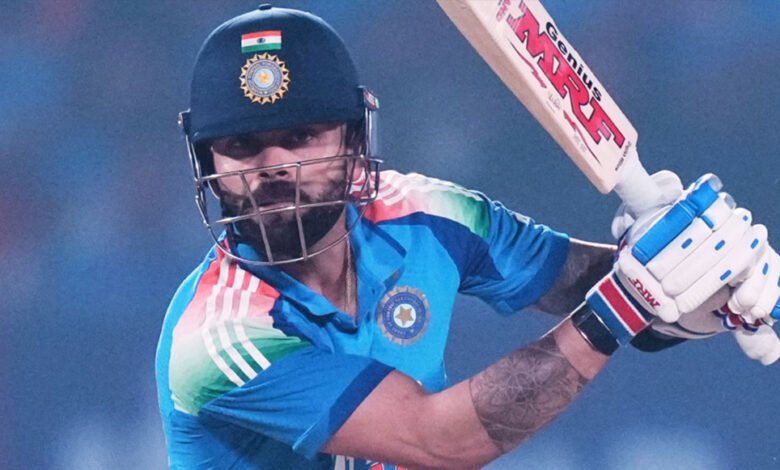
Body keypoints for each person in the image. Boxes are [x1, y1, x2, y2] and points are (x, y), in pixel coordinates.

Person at [155, 5, 780, 469]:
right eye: (242, 146)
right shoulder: (216, 339)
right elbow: (439, 441)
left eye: (301, 138)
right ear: (207, 160)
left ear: (353, 141)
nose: (273, 168)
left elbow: (589, 284)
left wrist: (708, 291)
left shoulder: (424, 211)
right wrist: (628, 301)